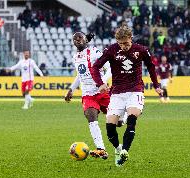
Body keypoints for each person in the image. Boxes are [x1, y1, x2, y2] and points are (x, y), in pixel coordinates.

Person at [91, 26, 162, 167]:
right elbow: (95, 67)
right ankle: (118, 149)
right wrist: (100, 83)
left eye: (126, 43)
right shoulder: (111, 50)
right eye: (121, 44)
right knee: (110, 128)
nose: (123, 46)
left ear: (131, 38)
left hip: (135, 90)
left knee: (131, 119)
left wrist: (156, 85)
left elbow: (151, 66)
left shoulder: (141, 50)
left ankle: (125, 151)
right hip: (117, 93)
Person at [64, 32, 112, 159]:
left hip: (102, 93)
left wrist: (103, 83)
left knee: (117, 122)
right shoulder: (75, 57)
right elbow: (80, 75)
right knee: (91, 117)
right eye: (75, 38)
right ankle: (101, 149)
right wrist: (71, 89)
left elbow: (109, 68)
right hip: (88, 94)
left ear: (86, 40)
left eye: (80, 37)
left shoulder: (95, 52)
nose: (77, 39)